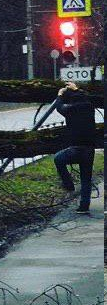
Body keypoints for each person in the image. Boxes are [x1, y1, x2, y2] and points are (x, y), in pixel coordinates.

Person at [53, 83, 96, 215]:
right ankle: (84, 207)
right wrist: (76, 89)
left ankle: (69, 184)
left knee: (58, 159)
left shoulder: (70, 109)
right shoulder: (89, 107)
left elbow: (58, 106)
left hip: (75, 149)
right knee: (86, 179)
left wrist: (60, 95)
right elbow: (86, 98)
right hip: (89, 149)